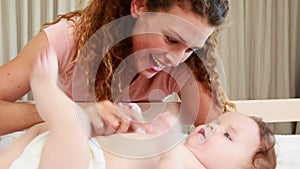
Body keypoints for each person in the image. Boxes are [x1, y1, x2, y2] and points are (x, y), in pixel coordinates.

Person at [0, 53, 276, 169]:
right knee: (41, 130)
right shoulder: (183, 146)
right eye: (218, 122)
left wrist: (166, 141)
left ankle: (50, 95)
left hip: (83, 163)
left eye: (227, 135)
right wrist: (136, 121)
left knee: (73, 124)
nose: (212, 127)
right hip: (62, 153)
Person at [0, 0, 232, 136]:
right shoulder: (68, 39)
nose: (175, 59)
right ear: (140, 5)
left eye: (191, 49)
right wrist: (71, 112)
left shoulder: (185, 64)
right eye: (171, 40)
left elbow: (222, 133)